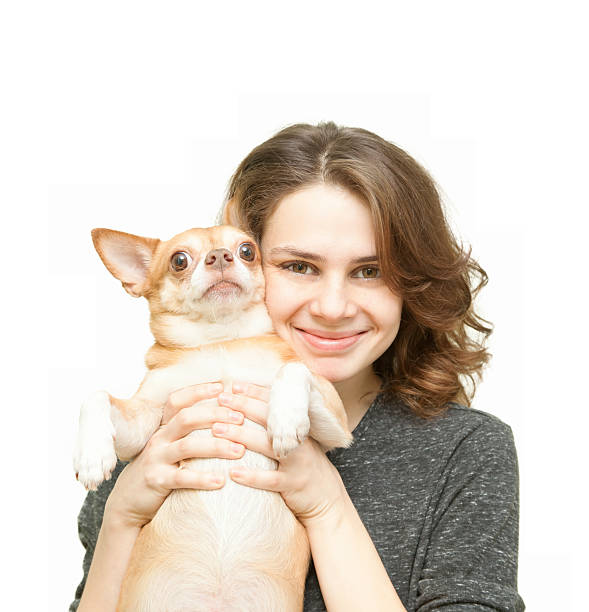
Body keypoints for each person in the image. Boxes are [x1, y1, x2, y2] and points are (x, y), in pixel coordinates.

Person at [71, 122, 524, 611]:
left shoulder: (464, 452)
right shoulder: (165, 438)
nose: (333, 307)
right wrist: (121, 515)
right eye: (299, 266)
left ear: (412, 281)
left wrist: (326, 506)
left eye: (369, 271)